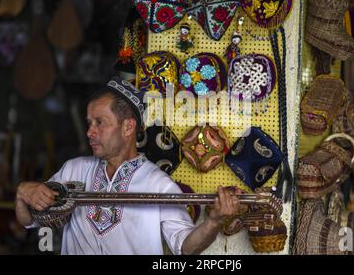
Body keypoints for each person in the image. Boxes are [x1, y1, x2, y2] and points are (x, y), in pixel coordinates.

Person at [15, 77, 241, 255]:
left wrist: (214, 221)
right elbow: (31, 219)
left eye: (100, 123)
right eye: (89, 123)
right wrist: (23, 193)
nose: (89, 132)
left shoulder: (158, 185)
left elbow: (185, 247)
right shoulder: (73, 169)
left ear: (128, 127)